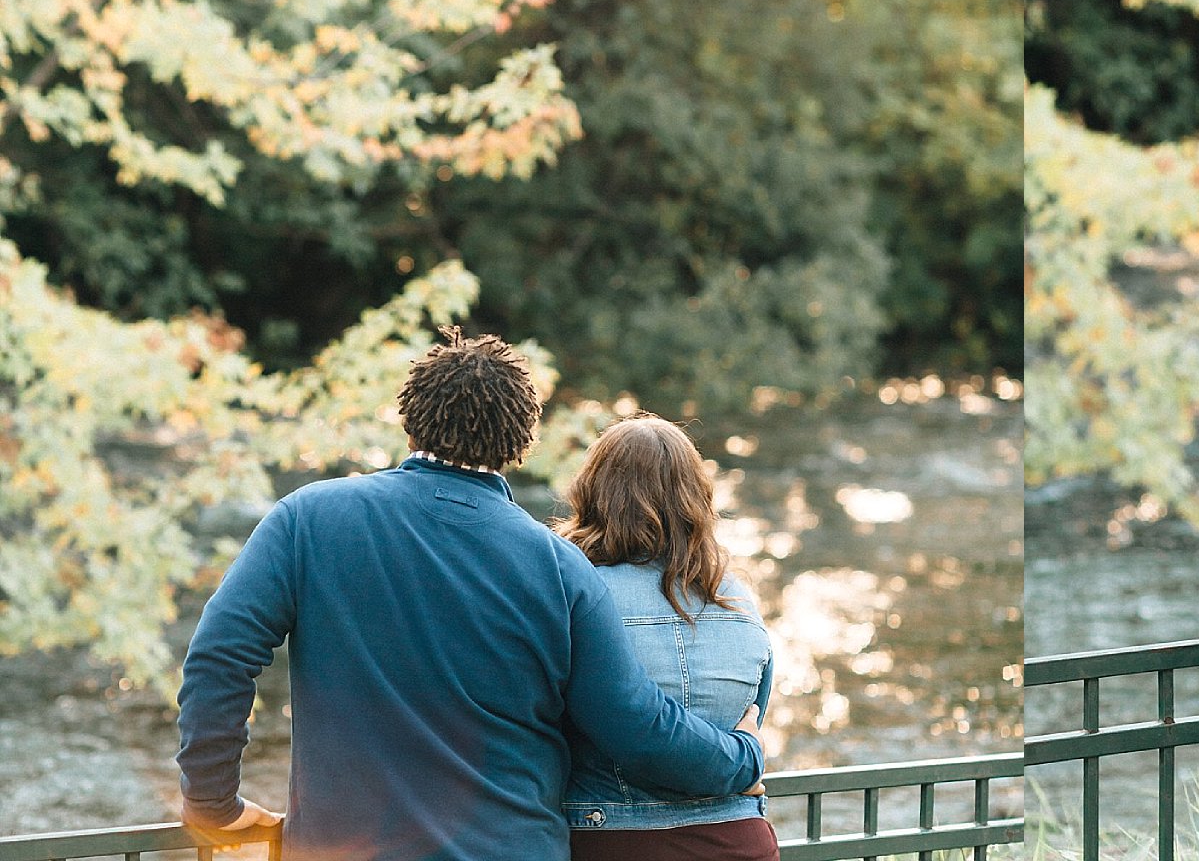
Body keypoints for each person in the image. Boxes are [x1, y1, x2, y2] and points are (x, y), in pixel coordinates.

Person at [177, 328, 765, 861]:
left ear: (410, 423)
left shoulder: (307, 519)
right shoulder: (559, 567)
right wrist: (741, 758)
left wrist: (212, 804)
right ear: (521, 444)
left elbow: (220, 655)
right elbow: (635, 727)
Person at [555, 415, 781, 861]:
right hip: (739, 837)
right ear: (698, 497)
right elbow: (755, 712)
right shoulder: (735, 596)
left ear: (594, 493)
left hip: (617, 838)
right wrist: (744, 762)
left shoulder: (577, 593)